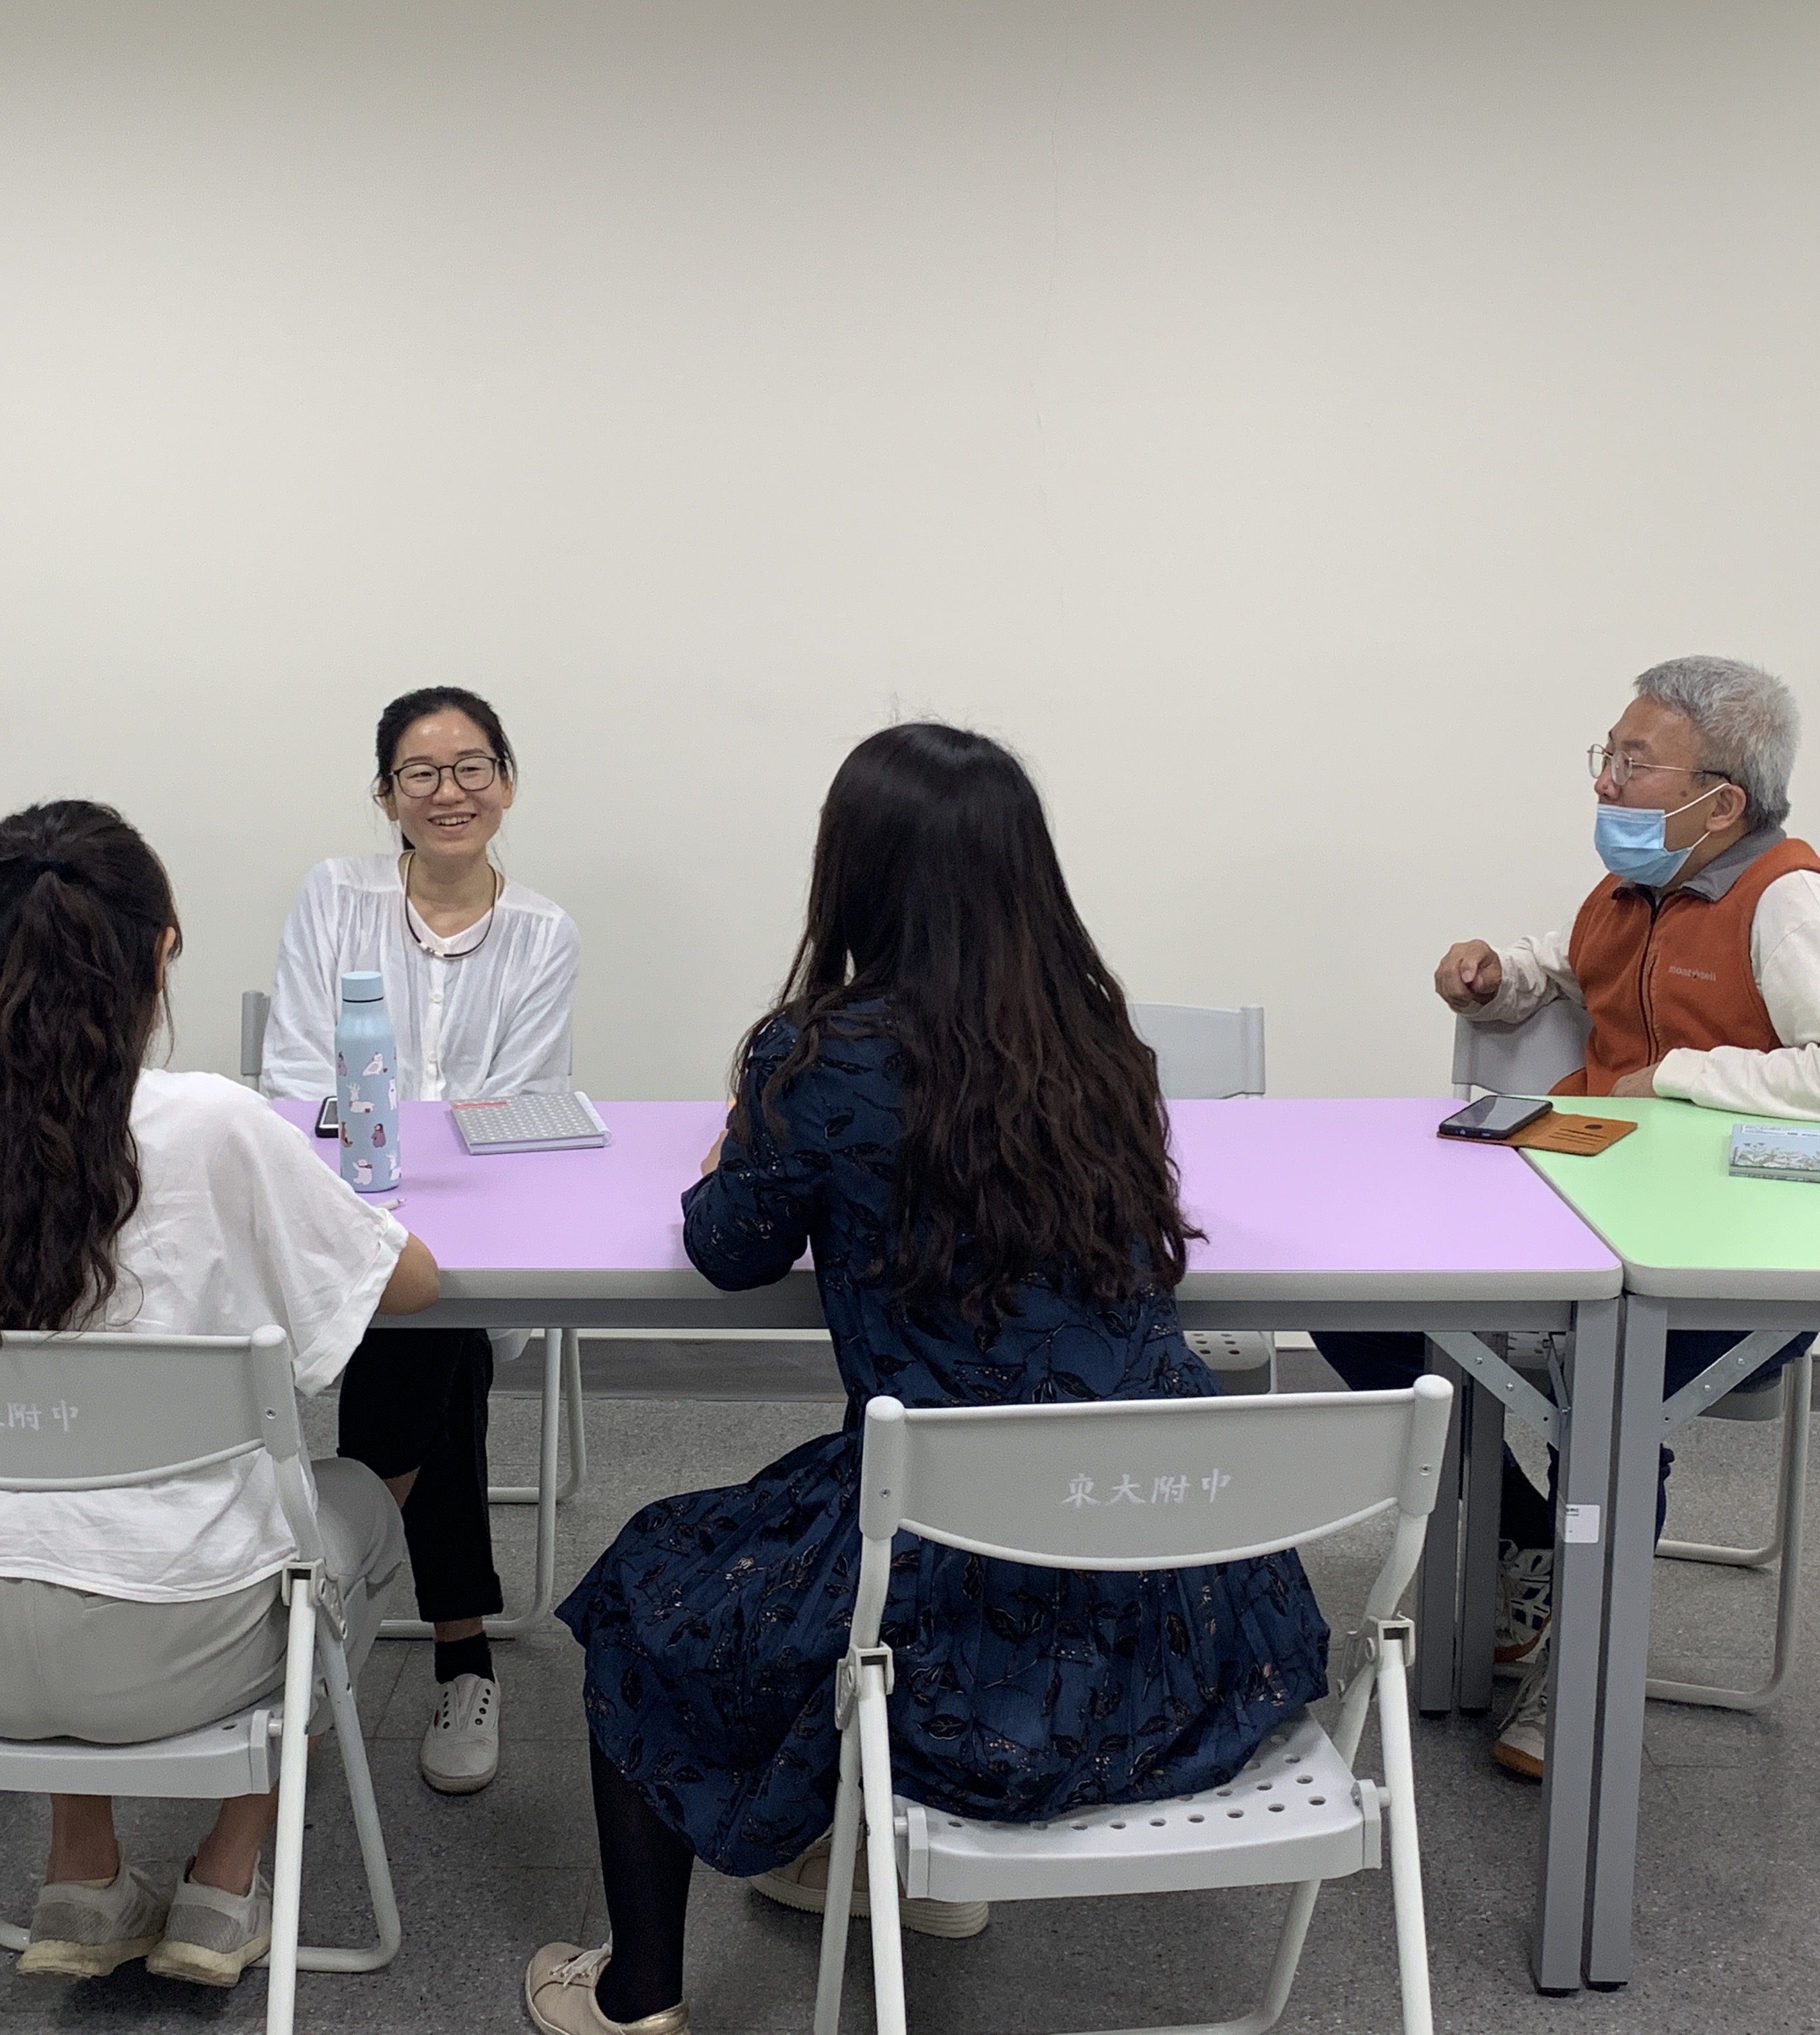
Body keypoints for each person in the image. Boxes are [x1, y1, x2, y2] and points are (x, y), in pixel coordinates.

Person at [526, 723, 1331, 2035]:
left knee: (650, 1588)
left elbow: (730, 1251)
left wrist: (748, 1131)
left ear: (855, 873)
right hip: (1180, 1597)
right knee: (835, 1546)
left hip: (958, 1606)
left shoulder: (820, 1058)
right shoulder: (1101, 1046)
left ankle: (635, 1996)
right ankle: (893, 1872)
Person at [0, 799, 440, 1987]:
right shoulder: (217, 1126)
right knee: (353, 1506)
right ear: (161, 947)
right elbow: (409, 1283)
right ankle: (225, 1882)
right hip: (184, 1641)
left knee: (35, 1494)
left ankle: (82, 1876)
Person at [1317, 654, 1820, 1780]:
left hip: (1740, 1258)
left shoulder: (1788, 901)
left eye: (1633, 762)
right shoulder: (1630, 891)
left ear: (1720, 802)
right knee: (1359, 1311)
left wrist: (1683, 1077)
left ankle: (1586, 1657)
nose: (1604, 781)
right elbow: (1571, 973)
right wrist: (1498, 978)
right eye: (1608, 754)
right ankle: (1529, 1546)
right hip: (1588, 1214)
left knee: (1599, 1383)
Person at [261, 684, 580, 1796]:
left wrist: (414, 1188)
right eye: (421, 773)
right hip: (339, 1206)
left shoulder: (544, 932)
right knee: (432, 1330)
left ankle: (332, 1589)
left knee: (429, 1320)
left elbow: (517, 1105)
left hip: (483, 1218)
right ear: (386, 792)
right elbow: (295, 1074)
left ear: (507, 783)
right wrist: (379, 1200)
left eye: (471, 767)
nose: (449, 792)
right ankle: (460, 1651)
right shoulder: (334, 895)